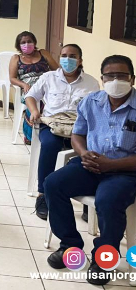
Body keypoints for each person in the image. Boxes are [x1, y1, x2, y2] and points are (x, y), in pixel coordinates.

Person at [44, 55, 136, 286]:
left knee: (108, 200)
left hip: (126, 171)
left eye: (121, 75)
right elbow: (78, 134)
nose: (115, 80)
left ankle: (104, 259)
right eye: (110, 76)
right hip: (90, 165)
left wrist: (111, 165)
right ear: (102, 79)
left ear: (132, 79)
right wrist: (83, 153)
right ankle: (69, 245)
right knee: (53, 184)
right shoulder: (91, 101)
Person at [25, 44, 100, 221]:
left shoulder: (91, 83)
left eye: (72, 56)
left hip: (79, 127)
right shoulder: (48, 77)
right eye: (64, 55)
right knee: (50, 145)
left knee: (91, 150)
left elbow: (96, 109)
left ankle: (88, 201)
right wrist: (34, 111)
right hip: (52, 124)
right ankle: (43, 195)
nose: (67, 59)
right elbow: (30, 96)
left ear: (80, 60)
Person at [9, 31, 59, 144]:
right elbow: (12, 78)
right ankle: (30, 135)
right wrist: (23, 84)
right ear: (18, 45)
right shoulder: (16, 58)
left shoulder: (43, 53)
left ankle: (52, 132)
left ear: (34, 42)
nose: (27, 44)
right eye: (23, 42)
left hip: (46, 84)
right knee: (34, 99)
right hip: (28, 87)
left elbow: (57, 70)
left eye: (29, 41)